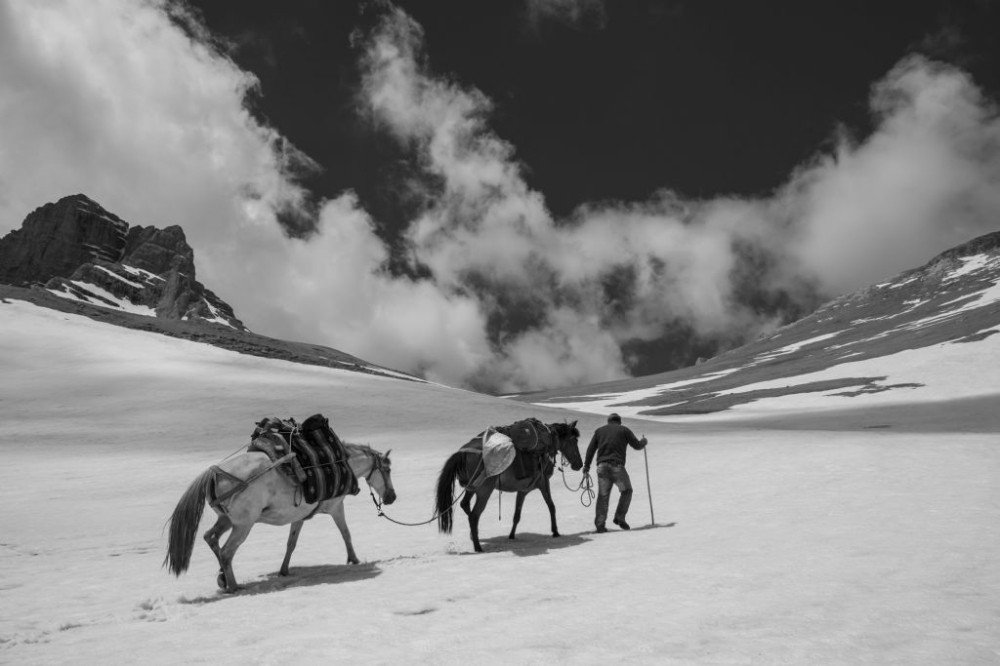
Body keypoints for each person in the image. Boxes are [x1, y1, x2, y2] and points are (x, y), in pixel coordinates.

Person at [582, 413, 647, 532]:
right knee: (627, 490)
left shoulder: (599, 431)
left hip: (602, 468)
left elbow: (590, 449)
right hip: (617, 468)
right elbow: (637, 445)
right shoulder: (624, 430)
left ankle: (600, 525)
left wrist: (586, 466)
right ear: (619, 422)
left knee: (603, 496)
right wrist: (643, 441)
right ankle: (620, 517)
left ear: (608, 421)